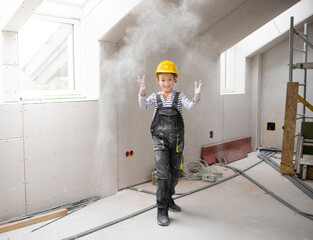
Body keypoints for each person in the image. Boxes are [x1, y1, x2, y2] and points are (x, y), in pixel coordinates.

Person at [137, 60, 202, 226]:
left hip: (177, 141)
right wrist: (142, 92)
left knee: (174, 174)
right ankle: (161, 208)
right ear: (158, 81)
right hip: (160, 140)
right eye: (163, 80)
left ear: (175, 80)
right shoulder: (155, 97)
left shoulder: (180, 97)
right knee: (162, 174)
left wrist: (196, 97)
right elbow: (143, 106)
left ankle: (168, 198)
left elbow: (190, 106)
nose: (166, 83)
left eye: (169, 79)